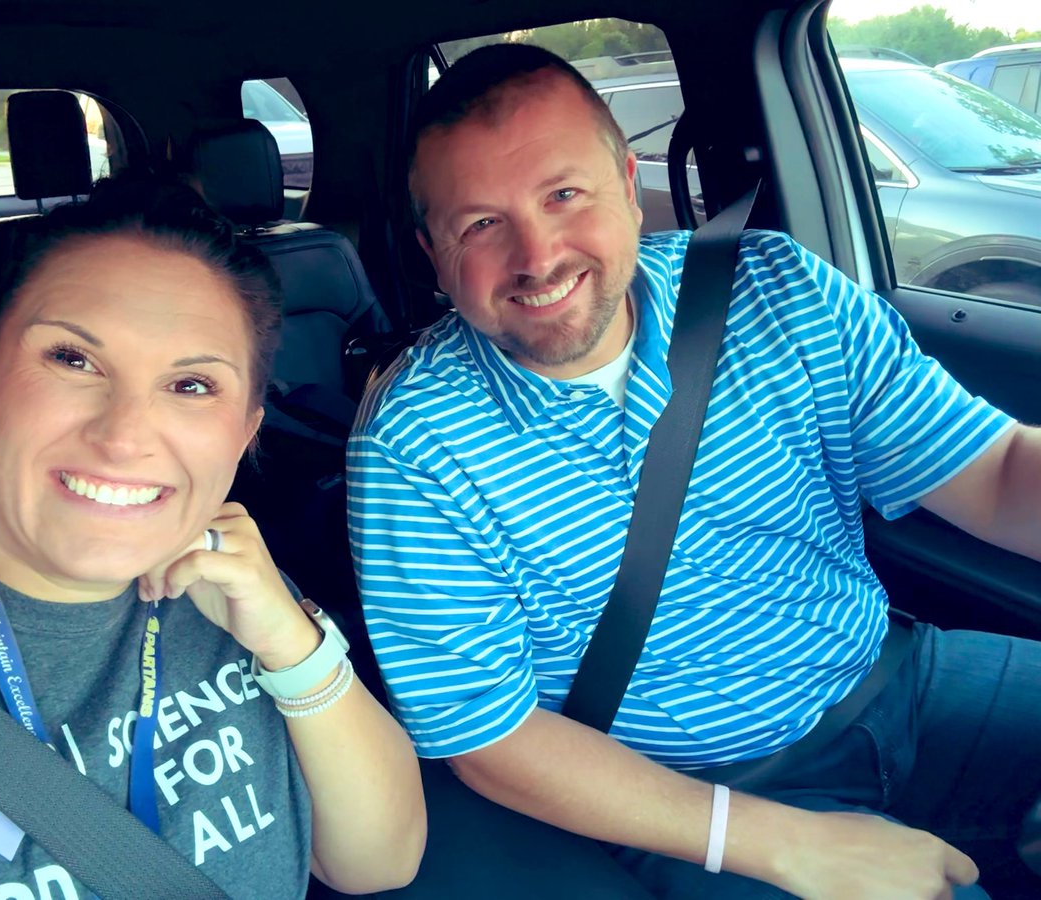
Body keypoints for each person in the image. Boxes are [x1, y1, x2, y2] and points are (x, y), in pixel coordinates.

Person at [347, 43, 1041, 899]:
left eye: (564, 195)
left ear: (629, 186)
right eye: (481, 224)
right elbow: (487, 737)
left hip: (902, 678)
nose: (537, 255)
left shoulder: (778, 291)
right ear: (432, 253)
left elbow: (1002, 472)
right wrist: (790, 845)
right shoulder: (412, 443)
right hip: (682, 797)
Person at [0, 173, 425, 899]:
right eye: (73, 360)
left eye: (191, 386)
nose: (122, 438)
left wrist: (293, 644)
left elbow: (379, 863)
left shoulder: (236, 581)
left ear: (245, 432)